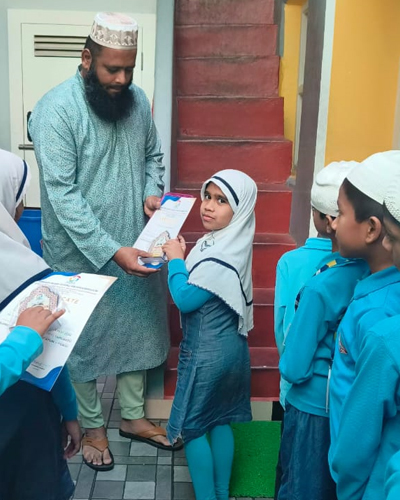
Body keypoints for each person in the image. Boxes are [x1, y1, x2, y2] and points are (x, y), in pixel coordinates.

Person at [29, 12, 178, 470]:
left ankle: (132, 417)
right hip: (78, 252)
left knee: (138, 328)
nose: (122, 80)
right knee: (83, 342)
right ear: (86, 58)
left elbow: (153, 155)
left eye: (129, 69)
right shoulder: (56, 110)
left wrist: (151, 190)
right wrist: (112, 250)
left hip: (137, 242)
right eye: (113, 69)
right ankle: (92, 427)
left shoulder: (136, 99)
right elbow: (63, 195)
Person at [277, 161, 368, 500]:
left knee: (302, 486)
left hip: (312, 407)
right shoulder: (371, 274)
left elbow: (293, 366)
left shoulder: (321, 284)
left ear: (327, 221)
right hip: (350, 405)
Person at [162, 169, 255, 500]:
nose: (209, 206)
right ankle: (220, 492)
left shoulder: (218, 253)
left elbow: (185, 298)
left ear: (240, 209)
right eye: (207, 196)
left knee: (193, 427)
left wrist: (175, 261)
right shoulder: (230, 241)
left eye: (222, 200)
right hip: (233, 350)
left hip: (207, 355)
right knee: (220, 421)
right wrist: (183, 256)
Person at [0, 153, 81, 500]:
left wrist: (69, 411)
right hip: (27, 426)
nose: (21, 208)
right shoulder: (27, 269)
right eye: (19, 196)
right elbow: (50, 354)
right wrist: (23, 339)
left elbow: (53, 356)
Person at [328, 151, 400, 499]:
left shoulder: (381, 322)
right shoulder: (370, 286)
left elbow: (363, 430)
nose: (333, 223)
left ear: (372, 228)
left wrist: (347, 482)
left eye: (340, 213)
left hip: (366, 483)